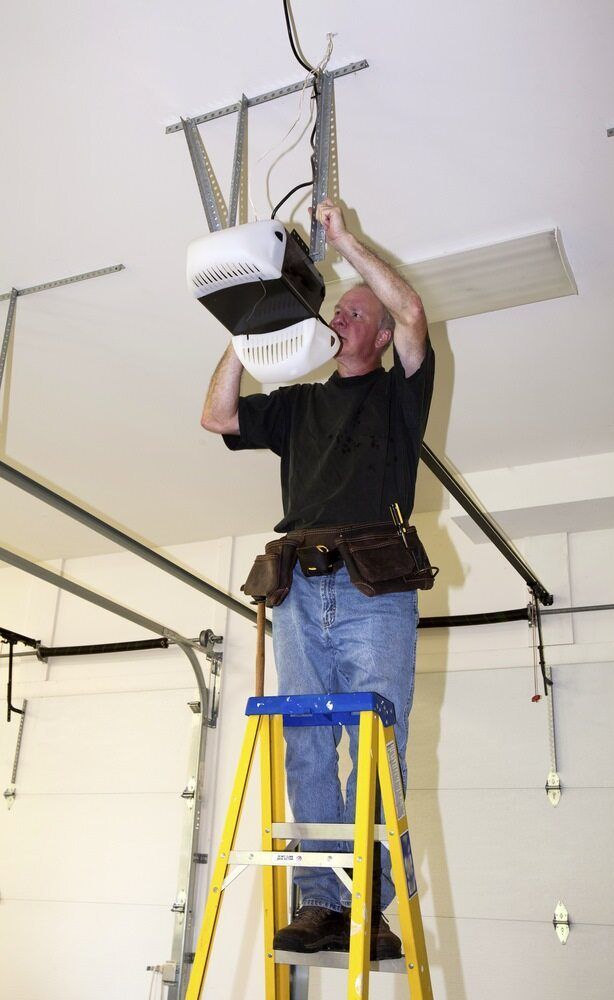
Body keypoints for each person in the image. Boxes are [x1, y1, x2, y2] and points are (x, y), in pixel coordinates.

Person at [201, 199, 435, 959]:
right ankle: (320, 904)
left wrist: (344, 243)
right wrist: (248, 332)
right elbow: (218, 417)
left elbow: (412, 312)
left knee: (373, 736)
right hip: (297, 584)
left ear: (373, 331)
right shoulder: (299, 407)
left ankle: (371, 903)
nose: (344, 317)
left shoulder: (398, 396)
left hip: (373, 582)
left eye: (356, 310)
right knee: (303, 740)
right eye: (338, 309)